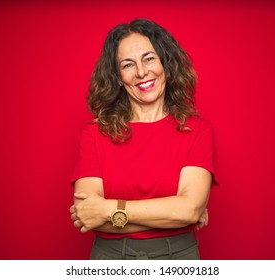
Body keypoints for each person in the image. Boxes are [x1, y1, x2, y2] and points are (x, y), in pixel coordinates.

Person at [69, 18, 218, 260]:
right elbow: (88, 215)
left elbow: (189, 210)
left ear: (165, 64)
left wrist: (108, 210)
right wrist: (171, 215)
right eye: (128, 65)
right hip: (110, 259)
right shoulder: (94, 134)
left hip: (178, 258)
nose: (141, 72)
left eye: (149, 59)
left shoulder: (197, 130)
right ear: (117, 77)